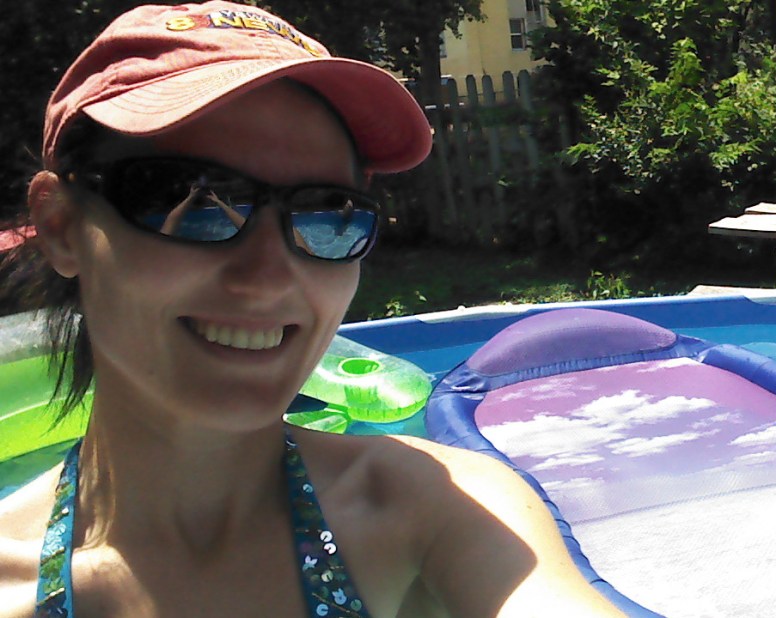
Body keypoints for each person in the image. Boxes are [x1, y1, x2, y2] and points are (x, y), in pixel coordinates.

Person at [0, 3, 626, 617]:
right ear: (60, 226)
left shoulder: (436, 511)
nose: (270, 276)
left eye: (327, 212)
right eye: (193, 200)